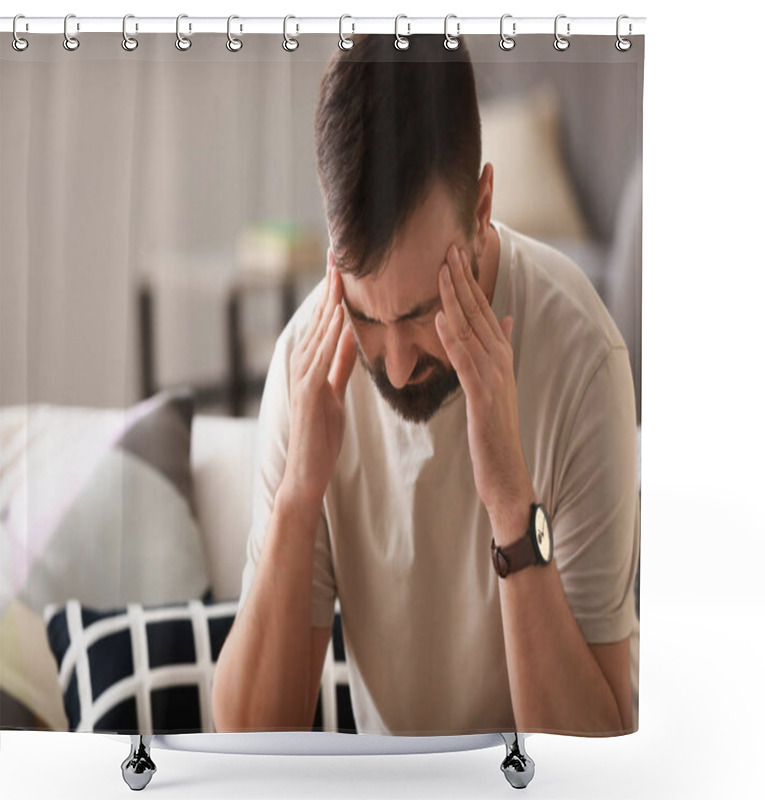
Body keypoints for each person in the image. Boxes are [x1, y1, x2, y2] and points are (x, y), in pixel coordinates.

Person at [212, 34, 639, 737]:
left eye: (420, 315)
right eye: (364, 314)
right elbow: (246, 738)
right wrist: (299, 497)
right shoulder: (307, 365)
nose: (398, 367)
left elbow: (598, 756)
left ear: (481, 207)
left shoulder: (582, 355)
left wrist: (510, 499)